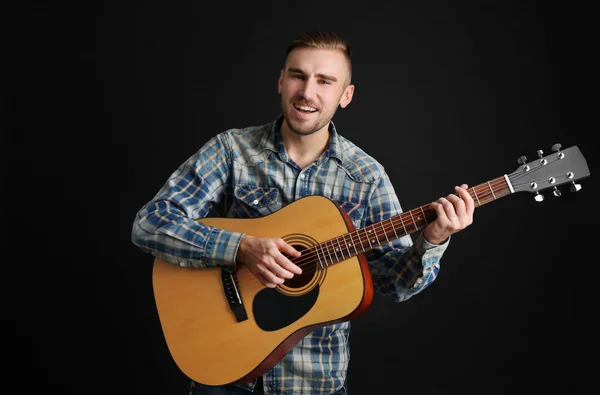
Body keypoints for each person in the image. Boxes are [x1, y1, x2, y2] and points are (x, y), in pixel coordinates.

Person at [131, 30, 475, 395]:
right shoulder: (231, 150)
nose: (307, 92)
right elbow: (150, 223)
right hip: (227, 374)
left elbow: (395, 284)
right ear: (281, 81)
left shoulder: (366, 176)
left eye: (324, 81)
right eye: (298, 75)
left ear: (346, 96)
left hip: (314, 382)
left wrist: (433, 240)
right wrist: (241, 247)